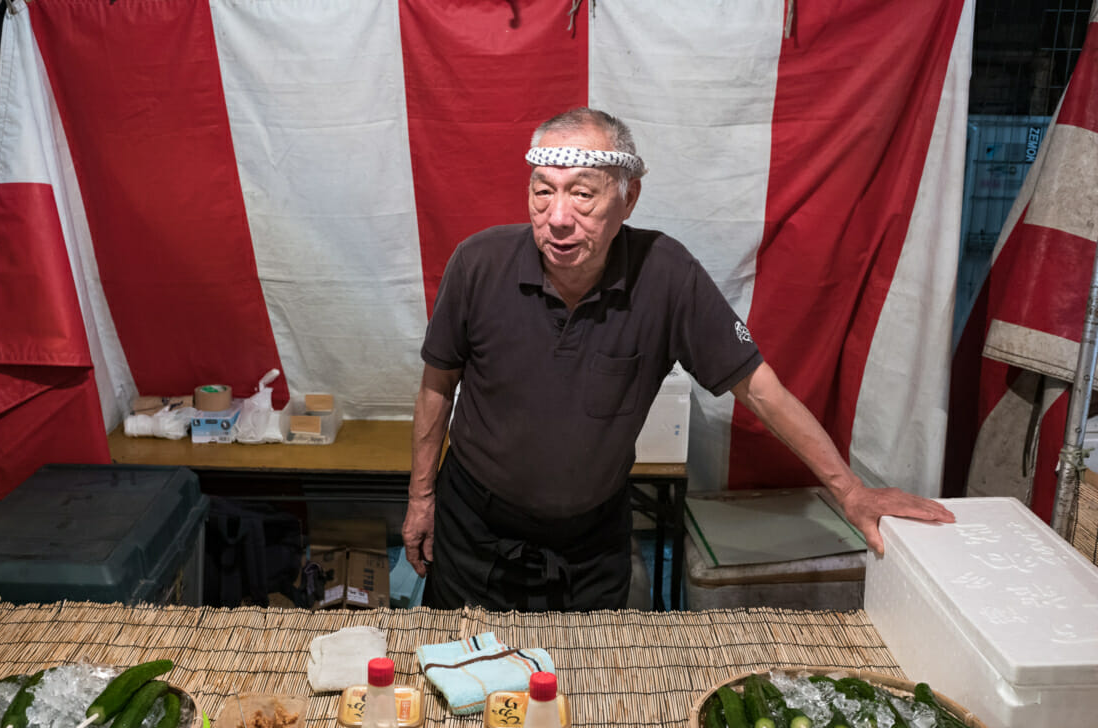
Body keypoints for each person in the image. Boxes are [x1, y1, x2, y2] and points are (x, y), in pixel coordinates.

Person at [401, 107, 954, 612]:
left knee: (587, 698)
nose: (558, 217)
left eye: (583, 195)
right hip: (473, 528)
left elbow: (761, 389)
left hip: (592, 543)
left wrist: (850, 491)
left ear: (629, 197)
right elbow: (436, 386)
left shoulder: (666, 274)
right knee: (460, 687)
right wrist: (421, 497)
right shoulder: (478, 264)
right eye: (543, 192)